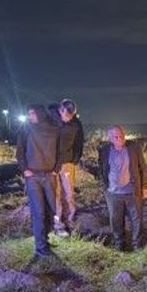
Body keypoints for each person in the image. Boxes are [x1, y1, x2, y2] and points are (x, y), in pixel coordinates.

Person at [16, 104, 60, 258]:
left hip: (49, 175)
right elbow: (20, 150)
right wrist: (24, 169)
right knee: (38, 212)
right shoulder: (26, 129)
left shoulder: (54, 129)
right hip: (33, 177)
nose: (29, 117)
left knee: (50, 210)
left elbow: (60, 150)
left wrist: (56, 168)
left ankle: (45, 240)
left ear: (40, 114)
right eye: (28, 114)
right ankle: (40, 247)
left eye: (32, 113)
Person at [98, 125, 147, 250]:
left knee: (136, 219)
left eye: (121, 135)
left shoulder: (133, 147)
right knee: (116, 220)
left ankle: (137, 244)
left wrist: (145, 186)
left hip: (132, 190)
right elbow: (102, 169)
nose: (120, 138)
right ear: (110, 138)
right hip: (113, 192)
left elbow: (143, 167)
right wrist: (104, 186)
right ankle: (119, 243)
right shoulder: (104, 150)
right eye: (115, 136)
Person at [52, 98, 84, 236]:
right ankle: (58, 225)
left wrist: (74, 160)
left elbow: (79, 142)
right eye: (66, 115)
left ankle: (70, 221)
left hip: (67, 164)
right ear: (60, 110)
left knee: (69, 194)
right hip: (52, 164)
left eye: (71, 115)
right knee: (56, 195)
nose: (69, 118)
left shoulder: (76, 123)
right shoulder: (51, 121)